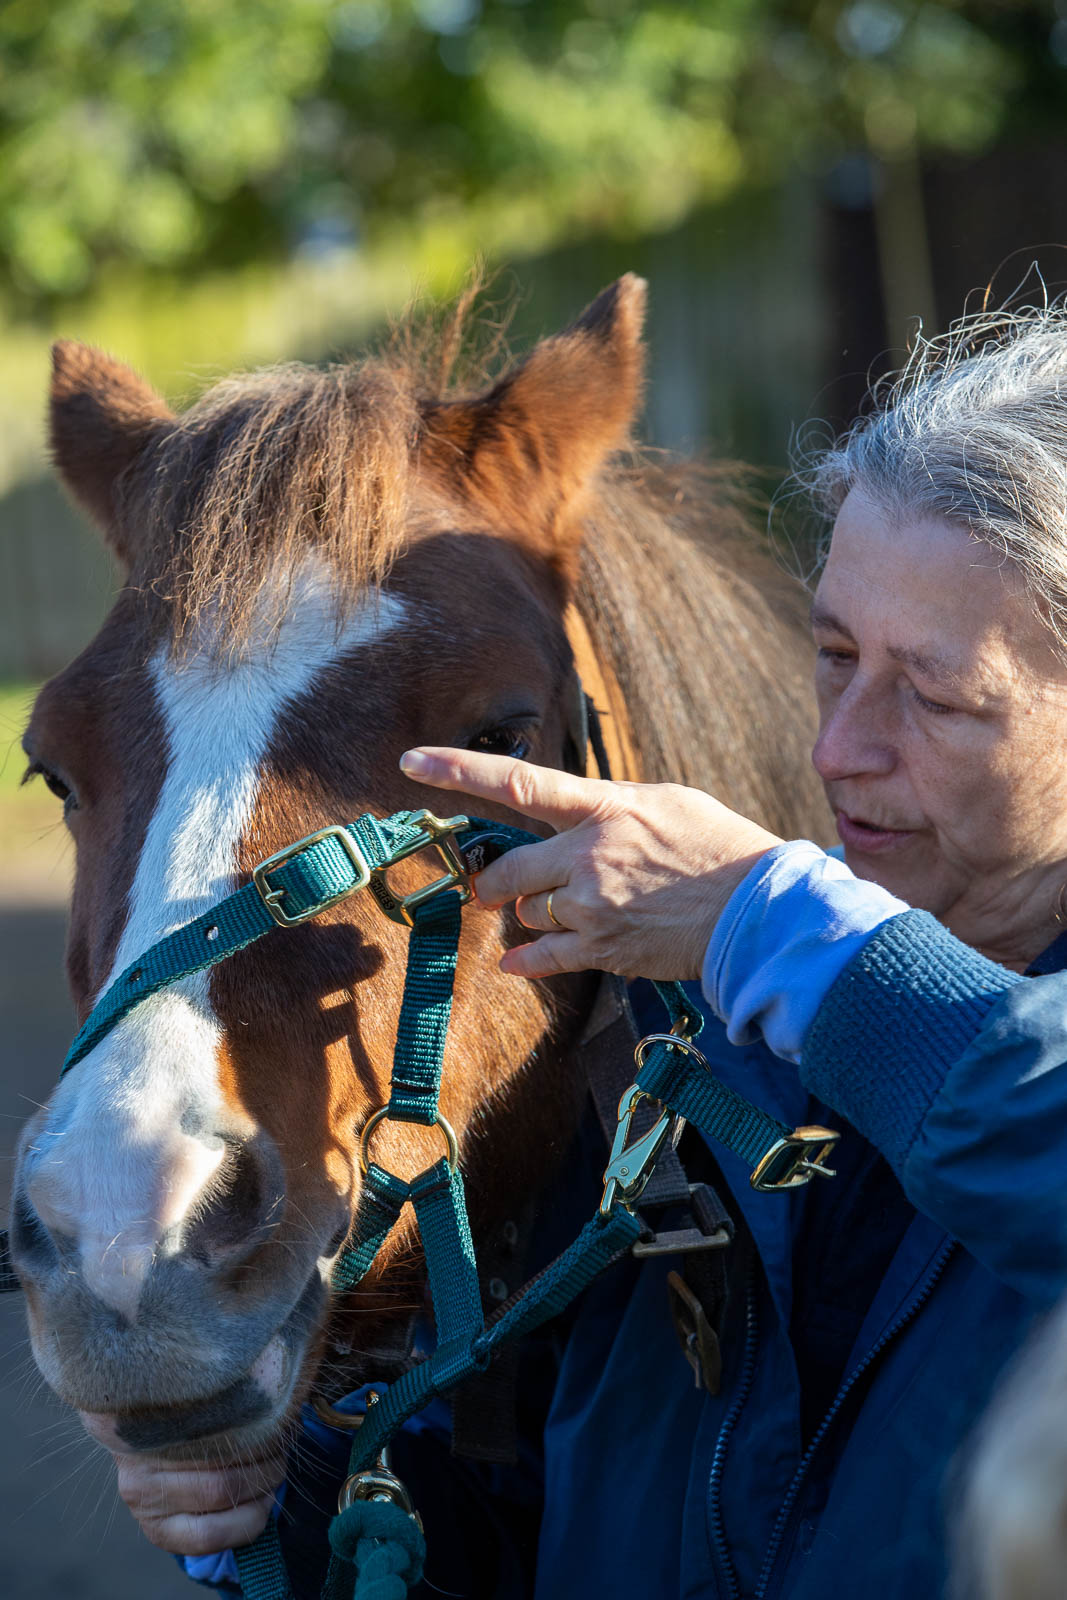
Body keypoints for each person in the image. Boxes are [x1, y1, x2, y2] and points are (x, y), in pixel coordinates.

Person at [144, 302, 1067, 1598]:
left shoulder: (772, 963)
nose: (837, 750)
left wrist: (763, 921)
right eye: (835, 653)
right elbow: (550, 1534)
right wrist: (288, 1504)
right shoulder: (694, 1056)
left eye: (936, 694)